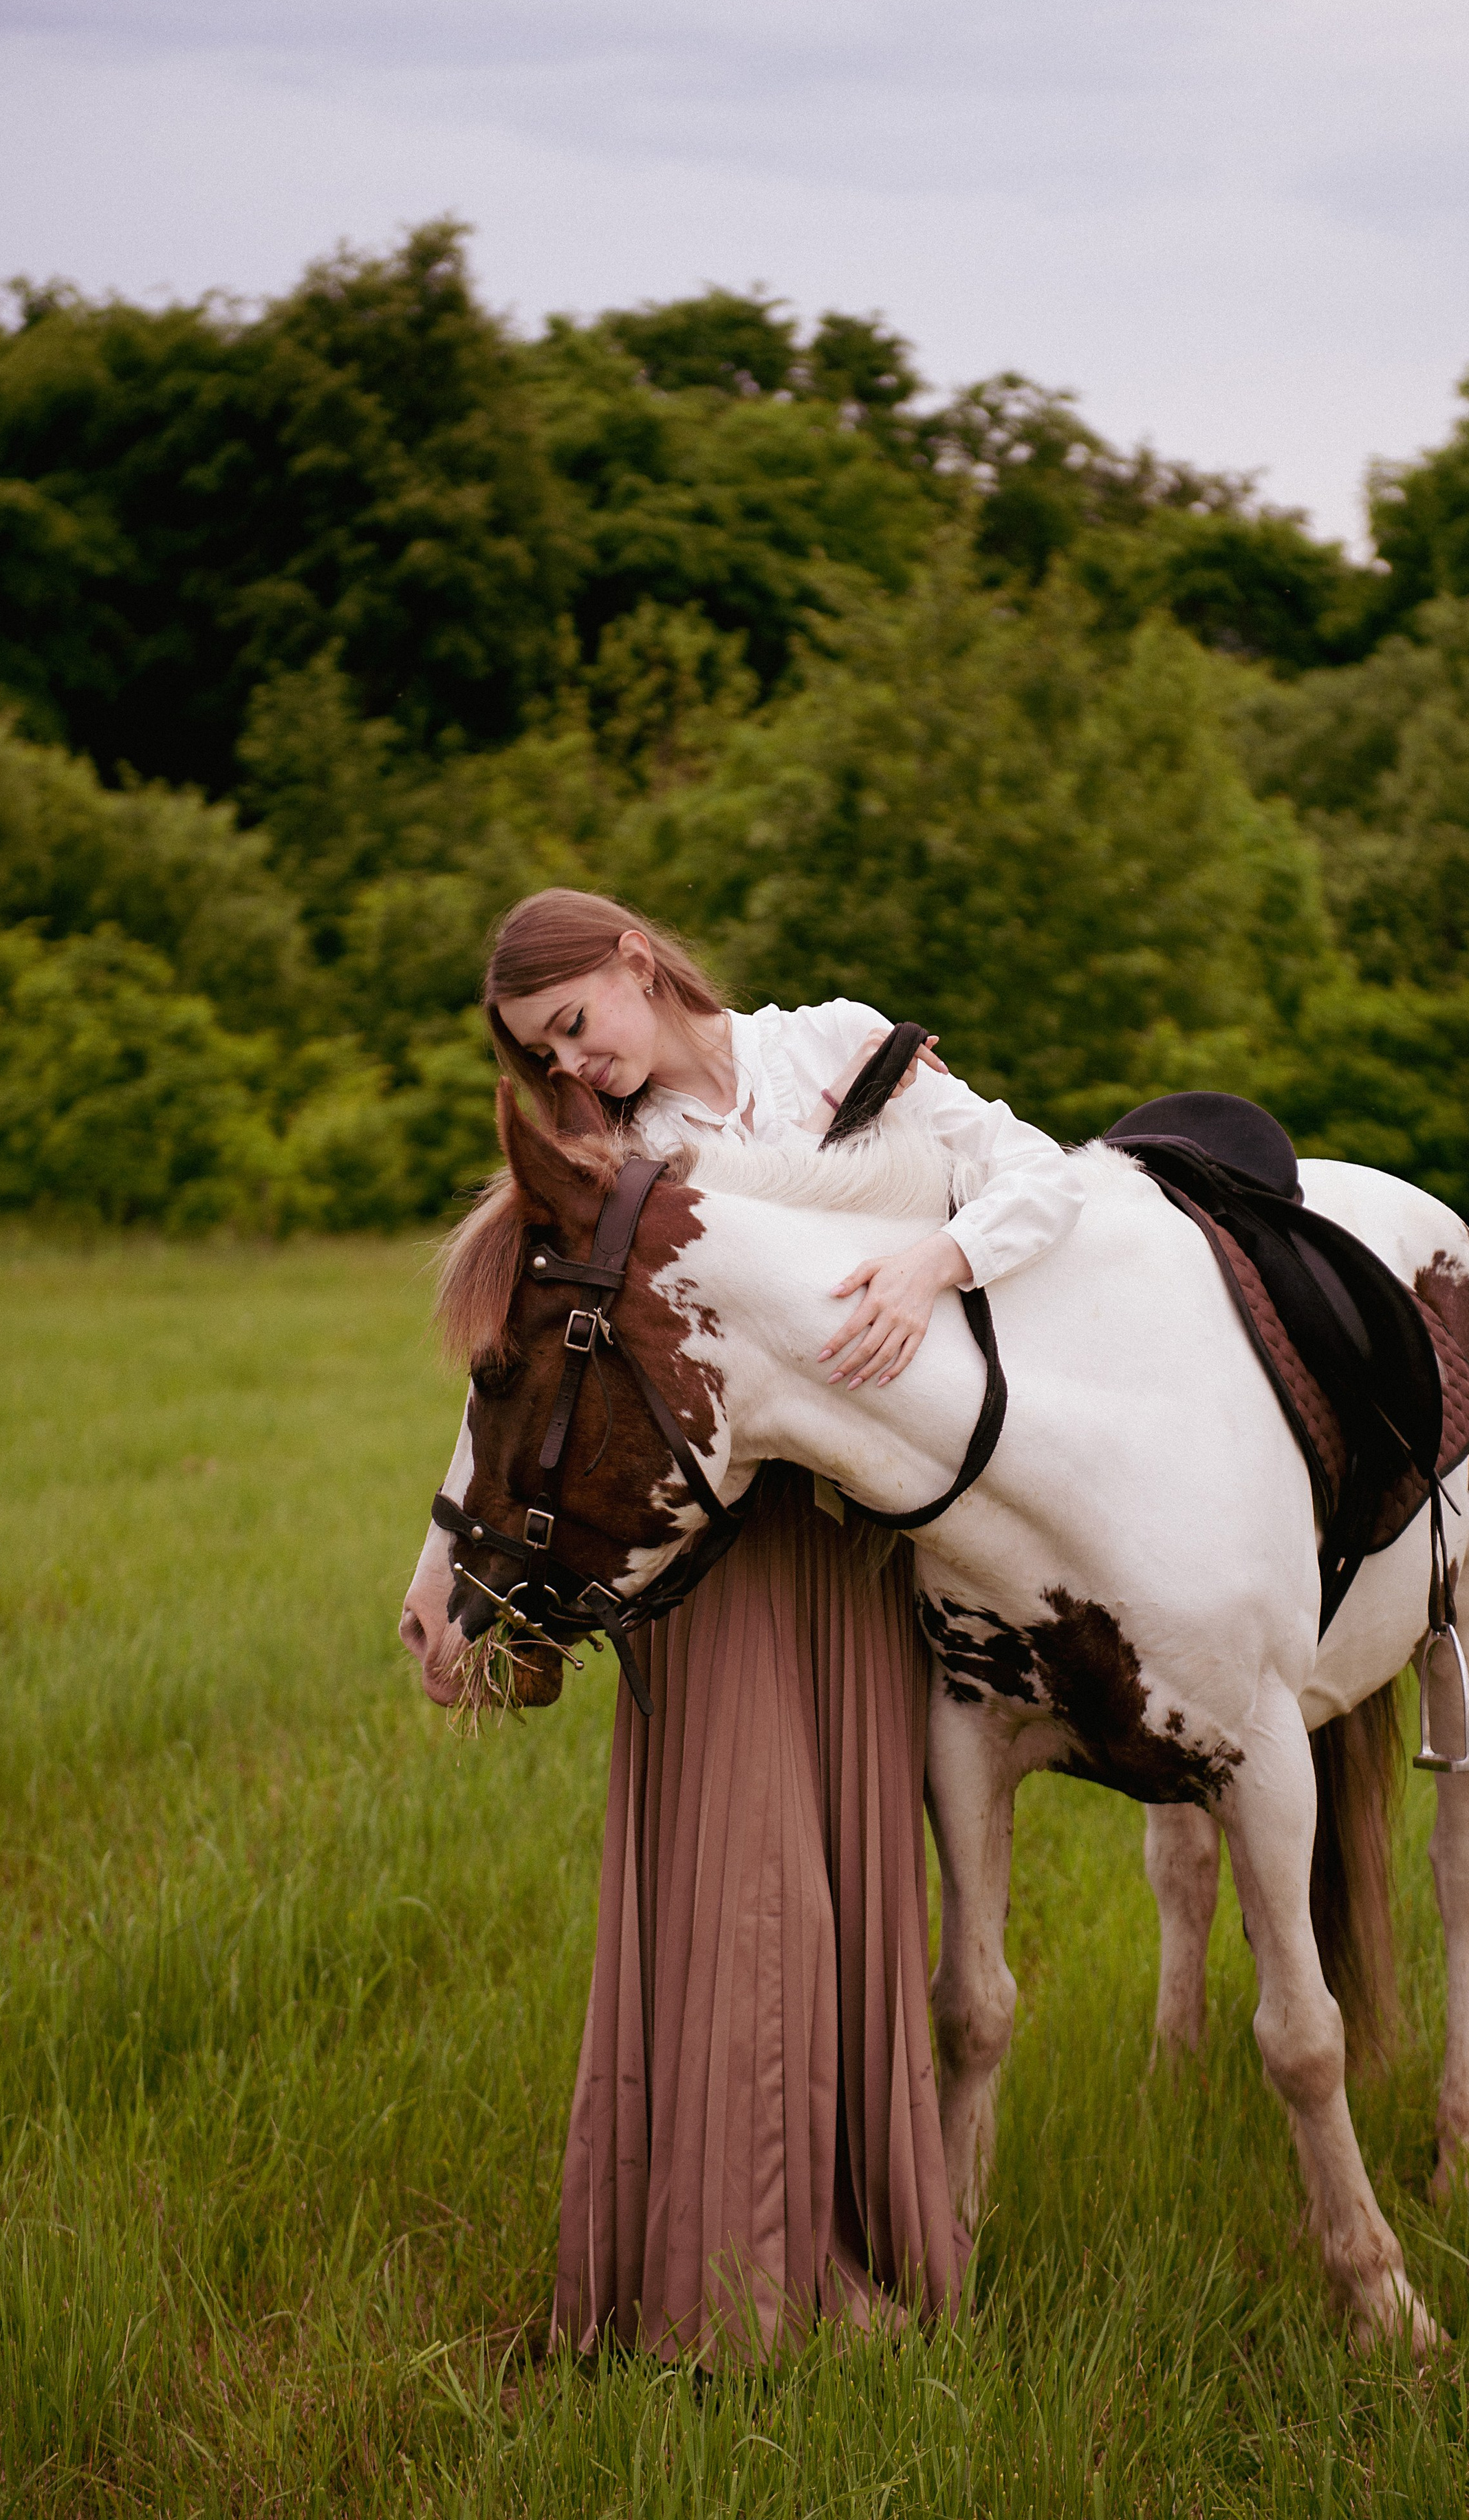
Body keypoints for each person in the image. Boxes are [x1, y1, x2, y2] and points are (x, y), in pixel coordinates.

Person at [483, 887, 1084, 2361]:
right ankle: (736, 2291)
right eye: (541, 1059)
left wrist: (935, 1261)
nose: (574, 1070)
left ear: (635, 959)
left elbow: (1037, 1175)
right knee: (746, 1895)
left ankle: (868, 2242)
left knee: (851, 1887)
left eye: (573, 1027)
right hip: (728, 1560)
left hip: (865, 1549)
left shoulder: (833, 1047)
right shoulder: (626, 1162)